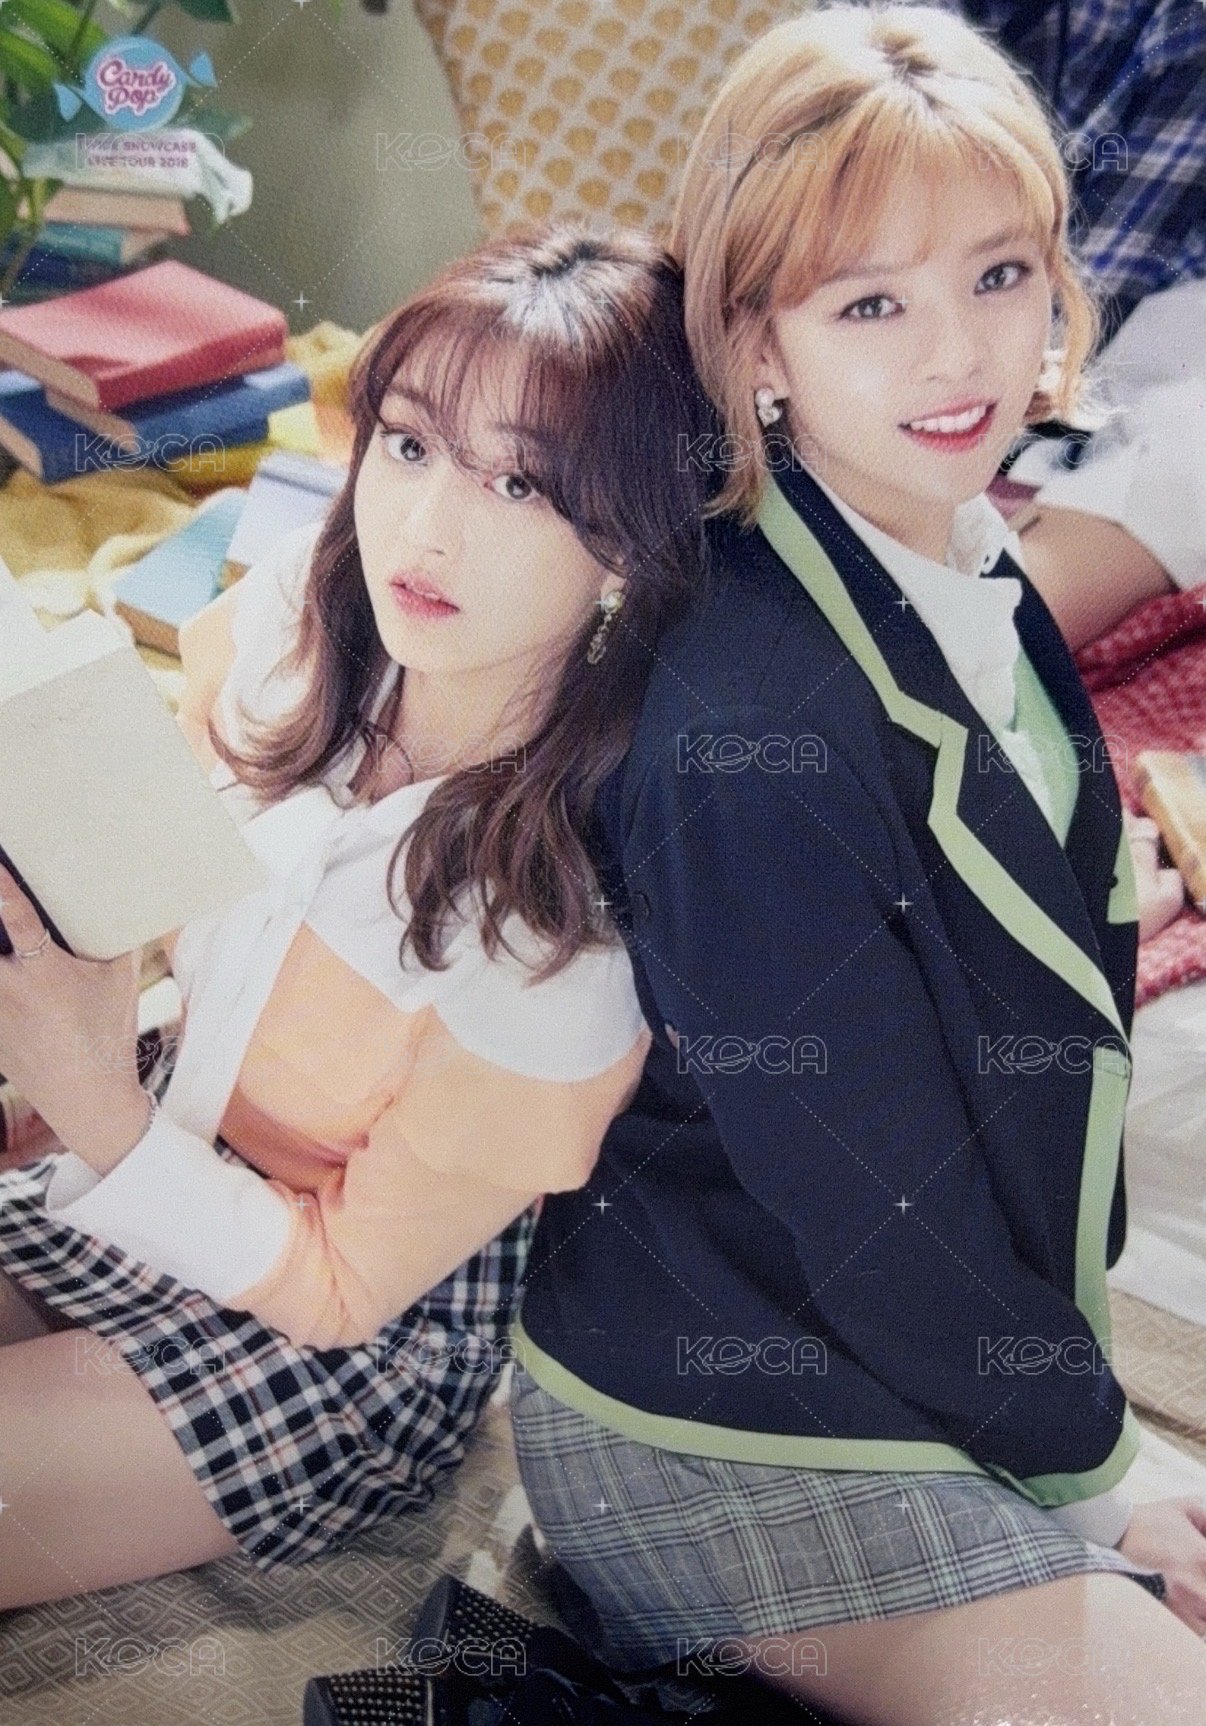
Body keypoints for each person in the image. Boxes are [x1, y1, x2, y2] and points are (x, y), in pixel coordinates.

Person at [503, 9, 1206, 1724]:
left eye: (998, 274)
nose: (960, 353)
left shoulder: (959, 552)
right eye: (868, 304)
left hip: (936, 1347)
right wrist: (1101, 1479)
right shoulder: (745, 716)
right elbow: (870, 1198)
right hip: (715, 1423)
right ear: (755, 342)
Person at [0, 222, 720, 1611]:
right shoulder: (297, 619)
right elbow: (160, 897)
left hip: (331, 1335)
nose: (427, 529)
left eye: (519, 481)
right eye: (409, 443)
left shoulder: (561, 939)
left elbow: (339, 1287)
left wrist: (94, 1103)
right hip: (148, 1136)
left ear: (629, 544)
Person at [941, 0, 1206, 646]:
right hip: (967, 339)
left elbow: (1080, 298)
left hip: (1151, 337)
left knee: (1179, 464)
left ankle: (963, 641)